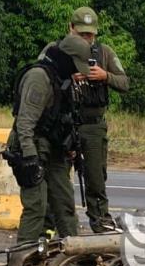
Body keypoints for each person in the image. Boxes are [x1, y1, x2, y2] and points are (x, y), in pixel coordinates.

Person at [5, 41, 90, 243]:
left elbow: (62, 117)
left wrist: (70, 146)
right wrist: (30, 158)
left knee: (65, 205)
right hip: (31, 148)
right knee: (37, 207)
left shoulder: (62, 79)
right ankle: (21, 261)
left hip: (54, 149)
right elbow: (25, 123)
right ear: (67, 59)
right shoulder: (39, 78)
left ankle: (74, 258)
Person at [64, 6, 129, 233]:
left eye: (89, 34)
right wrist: (67, 77)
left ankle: (100, 222)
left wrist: (105, 76)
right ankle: (59, 224)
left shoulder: (105, 53)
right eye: (81, 33)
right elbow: (39, 76)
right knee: (58, 177)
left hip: (93, 124)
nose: (86, 38)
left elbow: (125, 83)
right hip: (63, 122)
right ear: (70, 28)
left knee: (95, 178)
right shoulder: (58, 51)